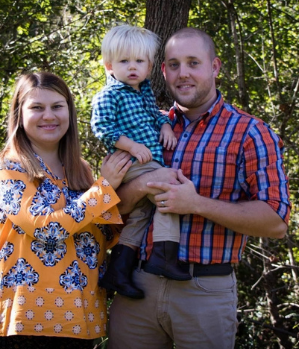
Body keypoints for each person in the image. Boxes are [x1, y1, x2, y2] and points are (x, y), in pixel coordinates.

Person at [108, 27, 291, 349]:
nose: (183, 73)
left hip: (205, 292)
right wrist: (140, 185)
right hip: (138, 286)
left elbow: (275, 222)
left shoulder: (250, 132)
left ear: (215, 67)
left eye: (194, 62)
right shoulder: (147, 128)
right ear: (162, 71)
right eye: (174, 65)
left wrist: (195, 204)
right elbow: (113, 207)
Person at [0, 72, 132, 349]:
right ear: (19, 113)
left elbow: (102, 235)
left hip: (80, 319)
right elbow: (47, 229)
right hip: (25, 320)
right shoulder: (9, 167)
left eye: (57, 106)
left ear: (69, 111)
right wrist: (105, 187)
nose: (48, 116)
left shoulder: (81, 170)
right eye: (37, 107)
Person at [91, 25, 191, 300]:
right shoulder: (108, 95)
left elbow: (156, 115)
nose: (132, 68)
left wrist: (166, 127)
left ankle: (118, 272)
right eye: (124, 62)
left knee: (140, 216)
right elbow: (102, 128)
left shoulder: (144, 92)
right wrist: (133, 146)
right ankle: (164, 256)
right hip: (133, 161)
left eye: (139, 61)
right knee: (168, 187)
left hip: (147, 159)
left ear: (149, 66)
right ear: (110, 65)